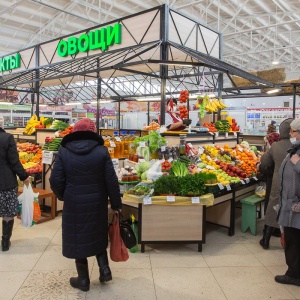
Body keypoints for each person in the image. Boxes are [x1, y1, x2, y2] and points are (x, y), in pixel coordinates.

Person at [49, 118, 122, 292]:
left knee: (78, 238)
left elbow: (55, 180)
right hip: (97, 201)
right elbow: (111, 181)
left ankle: (83, 279)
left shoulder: (64, 151)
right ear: (93, 131)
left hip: (74, 202)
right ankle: (104, 270)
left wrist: (63, 196)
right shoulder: (101, 151)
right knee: (97, 233)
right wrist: (116, 204)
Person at [258, 119, 293, 250]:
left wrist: (270, 170)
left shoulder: (276, 146)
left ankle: (266, 240)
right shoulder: (297, 145)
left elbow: (265, 162)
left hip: (278, 181)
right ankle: (288, 239)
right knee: (291, 210)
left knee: (273, 207)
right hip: (295, 184)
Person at [275, 118, 300, 287]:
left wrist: (298, 164)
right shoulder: (295, 149)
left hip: (296, 207)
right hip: (290, 205)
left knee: (294, 241)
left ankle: (294, 275)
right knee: (293, 240)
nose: (290, 134)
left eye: (293, 131)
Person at [0, 116, 30, 251]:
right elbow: (14, 161)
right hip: (6, 182)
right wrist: (24, 176)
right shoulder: (7, 138)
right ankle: (5, 242)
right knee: (7, 212)